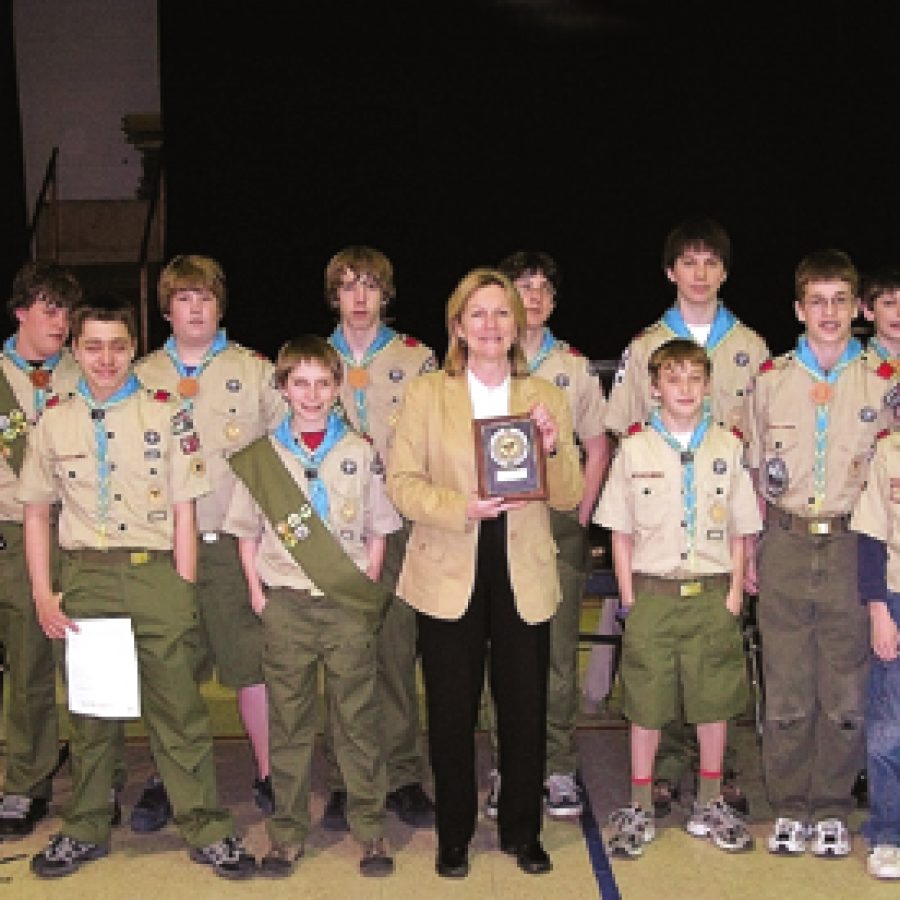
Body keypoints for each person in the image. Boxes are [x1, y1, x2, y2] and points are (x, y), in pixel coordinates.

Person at [19, 295, 254, 879]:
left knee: (179, 711)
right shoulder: (54, 418)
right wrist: (45, 594)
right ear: (76, 349)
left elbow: (184, 510)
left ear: (133, 349)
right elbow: (36, 514)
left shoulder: (166, 412)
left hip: (156, 576)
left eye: (118, 346)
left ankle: (204, 824)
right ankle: (87, 824)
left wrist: (182, 587)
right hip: (88, 577)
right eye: (93, 346)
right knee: (94, 715)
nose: (105, 359)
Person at [387, 268, 582, 877]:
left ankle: (524, 832)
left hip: (522, 563)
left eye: (502, 314)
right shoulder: (426, 394)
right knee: (450, 711)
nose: (492, 325)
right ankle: (454, 835)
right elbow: (402, 485)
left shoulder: (545, 395)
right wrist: (460, 507)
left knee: (524, 708)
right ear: (458, 327)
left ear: (518, 326)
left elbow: (571, 496)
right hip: (451, 559)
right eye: (479, 315)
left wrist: (551, 449)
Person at [605, 216, 769, 816]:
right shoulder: (644, 346)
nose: (700, 274)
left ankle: (714, 776)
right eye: (688, 263)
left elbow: (760, 448)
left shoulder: (751, 348)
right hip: (656, 530)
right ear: (670, 271)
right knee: (660, 666)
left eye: (711, 263)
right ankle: (666, 772)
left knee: (713, 662)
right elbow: (622, 429)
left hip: (724, 531)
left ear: (724, 271)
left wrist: (750, 550)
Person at [224, 335, 399, 877]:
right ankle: (287, 834)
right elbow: (246, 534)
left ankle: (371, 831)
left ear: (337, 386)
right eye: (300, 383)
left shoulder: (359, 451)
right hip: (287, 607)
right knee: (291, 724)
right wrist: (258, 593)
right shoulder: (262, 459)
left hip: (345, 606)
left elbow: (378, 528)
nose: (312, 394)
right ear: (282, 388)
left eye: (323, 382)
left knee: (357, 721)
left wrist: (367, 582)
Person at [744, 249, 892, 858]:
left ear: (856, 309)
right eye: (816, 302)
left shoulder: (885, 384)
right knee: (785, 683)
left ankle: (831, 805)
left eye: (839, 301)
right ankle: (789, 805)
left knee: (846, 687)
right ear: (798, 308)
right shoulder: (771, 380)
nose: (827, 313)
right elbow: (753, 472)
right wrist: (749, 550)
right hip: (783, 539)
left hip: (853, 544)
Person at [133, 255, 285, 829]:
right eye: (183, 298)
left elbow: (287, 453)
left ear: (220, 306)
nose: (194, 308)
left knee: (251, 665)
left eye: (205, 297)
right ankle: (167, 776)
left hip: (232, 546)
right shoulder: (142, 376)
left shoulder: (254, 371)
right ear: (167, 308)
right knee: (169, 669)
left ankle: (269, 772)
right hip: (163, 546)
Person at [597, 338, 760, 859]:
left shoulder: (728, 448)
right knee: (646, 703)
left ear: (708, 386)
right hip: (652, 594)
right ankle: (641, 804)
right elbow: (619, 533)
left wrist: (735, 592)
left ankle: (709, 799)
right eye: (673, 378)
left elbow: (741, 530)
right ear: (655, 387)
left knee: (713, 702)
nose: (684, 388)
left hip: (711, 593)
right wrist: (628, 598)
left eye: (694, 378)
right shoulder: (635, 448)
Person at [480, 250, 609, 820]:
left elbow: (598, 443)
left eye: (542, 290)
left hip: (554, 523)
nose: (531, 297)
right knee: (499, 651)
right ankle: (508, 766)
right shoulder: (477, 362)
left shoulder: (573, 369)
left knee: (557, 654)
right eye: (521, 287)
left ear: (553, 302)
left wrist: (579, 513)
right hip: (494, 523)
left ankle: (557, 766)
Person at [323, 246, 436, 829]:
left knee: (394, 654)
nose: (359, 297)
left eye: (370, 286)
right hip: (334, 535)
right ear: (334, 296)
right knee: (345, 659)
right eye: (347, 286)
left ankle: (402, 773)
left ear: (386, 294)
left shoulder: (418, 360)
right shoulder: (312, 361)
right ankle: (346, 777)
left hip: (397, 528)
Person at [0, 262, 82, 837]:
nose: (61, 321)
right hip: (11, 537)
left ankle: (101, 775)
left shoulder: (88, 372)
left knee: (86, 662)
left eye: (66, 310)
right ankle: (26, 780)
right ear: (21, 311)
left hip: (78, 536)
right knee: (27, 663)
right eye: (49, 308)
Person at [850, 422, 900, 880]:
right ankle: (888, 833)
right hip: (897, 597)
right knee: (890, 728)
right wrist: (879, 610)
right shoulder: (888, 453)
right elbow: (869, 540)